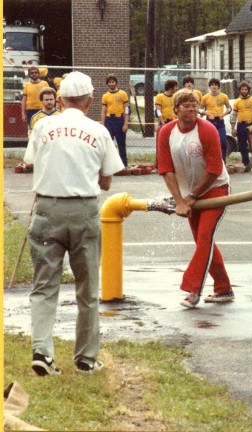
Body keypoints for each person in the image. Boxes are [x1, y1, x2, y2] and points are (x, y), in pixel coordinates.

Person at [24, 71, 124, 375]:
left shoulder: (42, 126)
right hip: (83, 210)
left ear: (62, 98)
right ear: (91, 100)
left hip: (46, 208)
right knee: (88, 287)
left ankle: (42, 351)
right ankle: (85, 358)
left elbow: (32, 163)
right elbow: (107, 181)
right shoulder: (98, 131)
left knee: (43, 286)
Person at [157, 89, 234, 308]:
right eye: (186, 106)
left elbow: (214, 169)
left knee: (204, 239)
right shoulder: (166, 133)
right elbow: (165, 168)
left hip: (215, 189)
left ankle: (193, 290)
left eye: (194, 106)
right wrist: (180, 200)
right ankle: (224, 289)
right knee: (204, 242)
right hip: (187, 195)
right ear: (176, 110)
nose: (191, 110)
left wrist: (191, 197)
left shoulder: (207, 130)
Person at [231, 80, 252, 173]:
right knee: (242, 146)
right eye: (242, 89)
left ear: (248, 90)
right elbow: (233, 115)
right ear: (239, 90)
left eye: (245, 89)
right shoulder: (237, 102)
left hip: (250, 125)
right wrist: (233, 128)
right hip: (240, 125)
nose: (244, 91)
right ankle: (246, 164)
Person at [100, 74, 130, 166]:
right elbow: (103, 111)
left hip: (119, 119)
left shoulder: (122, 94)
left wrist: (125, 124)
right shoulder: (105, 96)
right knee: (108, 144)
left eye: (113, 82)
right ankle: (109, 165)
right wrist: (103, 124)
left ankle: (124, 165)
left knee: (121, 143)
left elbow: (127, 109)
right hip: (109, 120)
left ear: (116, 83)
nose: (111, 84)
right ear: (107, 84)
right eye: (109, 82)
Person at [201, 78, 232, 160]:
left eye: (216, 85)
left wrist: (224, 114)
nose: (214, 87)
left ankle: (223, 160)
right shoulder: (205, 97)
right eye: (212, 85)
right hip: (210, 121)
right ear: (210, 86)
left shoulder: (224, 96)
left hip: (220, 121)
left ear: (218, 86)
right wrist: (207, 113)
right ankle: (210, 159)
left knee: (223, 142)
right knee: (209, 142)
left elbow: (229, 108)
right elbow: (200, 109)